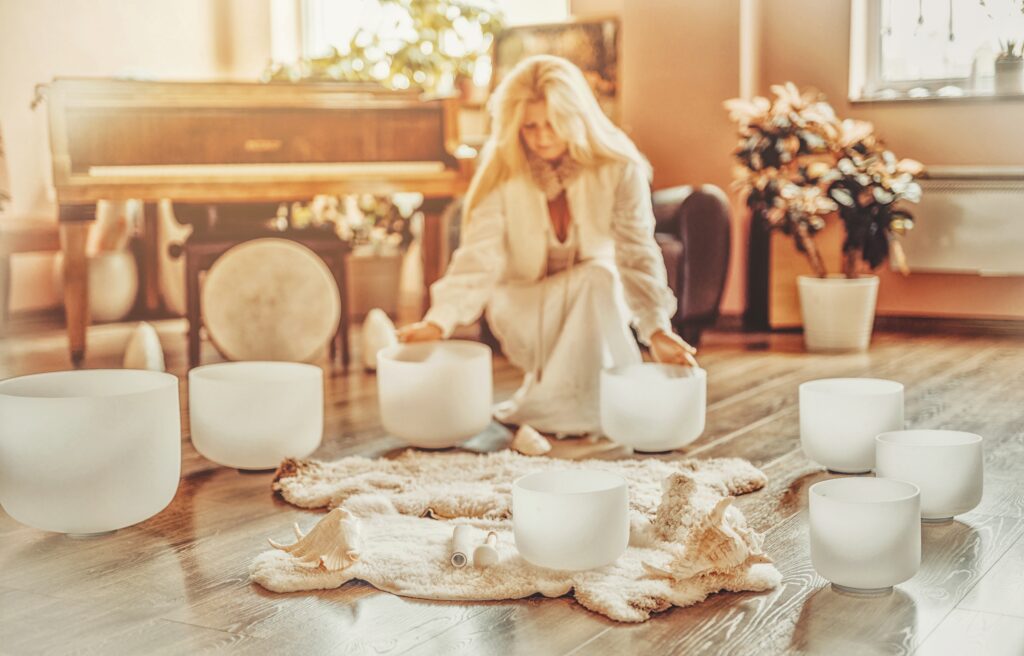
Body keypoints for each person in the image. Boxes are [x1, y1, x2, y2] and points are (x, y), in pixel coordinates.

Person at [398, 54, 697, 435]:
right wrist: (438, 321)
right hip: (522, 304)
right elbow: (478, 257)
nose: (542, 137)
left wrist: (656, 329)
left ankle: (578, 407)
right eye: (530, 126)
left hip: (597, 301)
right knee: (597, 279)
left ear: (577, 115)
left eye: (553, 123)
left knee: (599, 276)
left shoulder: (620, 167)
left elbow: (636, 251)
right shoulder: (502, 171)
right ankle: (569, 407)